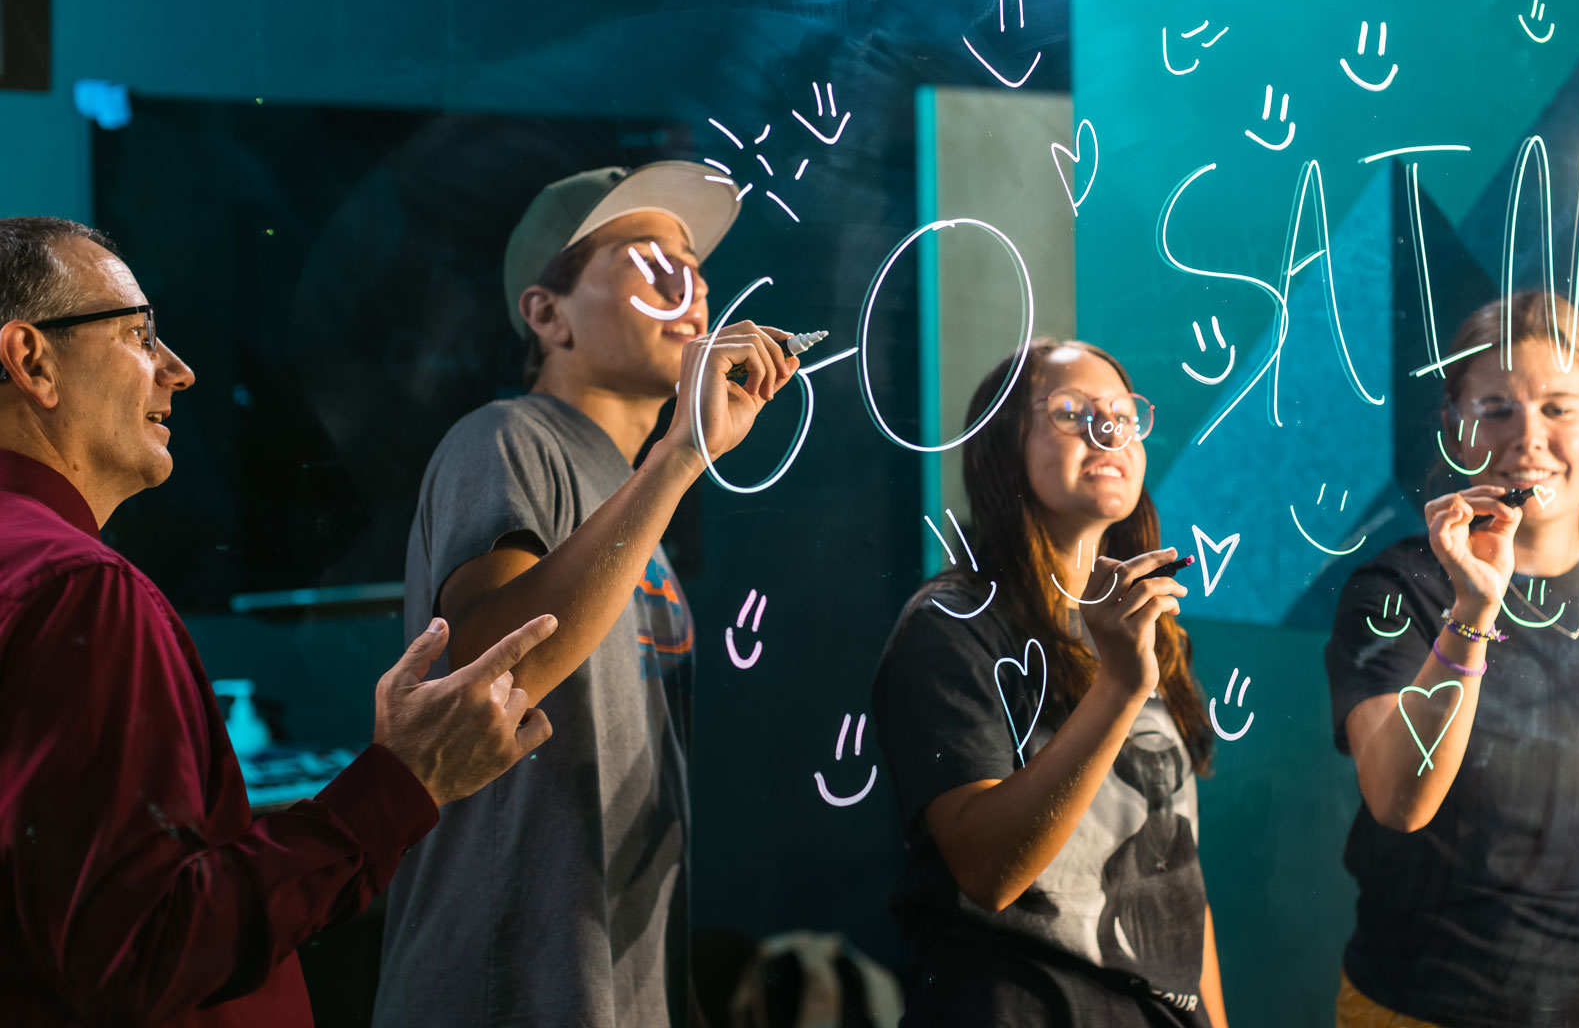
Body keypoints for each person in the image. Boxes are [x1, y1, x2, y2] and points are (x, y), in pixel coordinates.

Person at [0, 216, 558, 1027]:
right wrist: (403, 782)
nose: (179, 372)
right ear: (31, 360)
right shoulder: (79, 589)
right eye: (138, 333)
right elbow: (141, 952)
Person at [374, 163, 801, 1028]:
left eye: (694, 264)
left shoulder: (633, 499)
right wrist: (680, 456)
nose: (689, 284)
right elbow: (497, 672)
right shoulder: (505, 437)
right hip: (499, 991)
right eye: (648, 259)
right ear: (547, 313)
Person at [1324, 292, 1579, 1028]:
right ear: (1455, 429)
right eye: (1496, 410)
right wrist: (1473, 613)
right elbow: (1397, 799)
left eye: (1558, 407)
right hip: (1426, 1004)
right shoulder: (1398, 591)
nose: (1529, 437)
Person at [873, 338, 1229, 1027]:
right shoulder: (952, 625)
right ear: (1002, 447)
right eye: (1071, 412)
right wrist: (1120, 687)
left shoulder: (1148, 627)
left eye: (1122, 416)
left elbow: (1177, 878)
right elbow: (990, 871)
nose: (1107, 432)